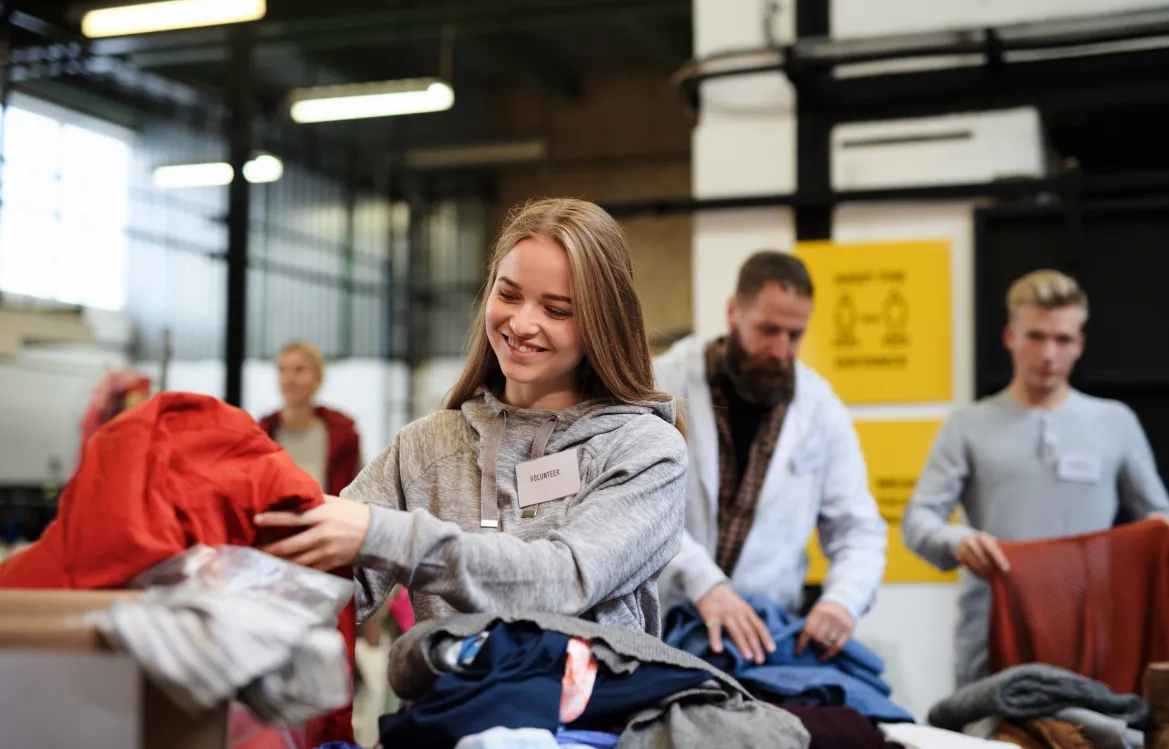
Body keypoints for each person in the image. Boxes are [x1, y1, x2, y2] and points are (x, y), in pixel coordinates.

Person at [253, 198, 689, 636]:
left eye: (556, 310)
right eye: (508, 294)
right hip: (446, 704)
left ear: (603, 321)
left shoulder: (646, 450)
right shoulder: (426, 446)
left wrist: (389, 537)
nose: (521, 324)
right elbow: (331, 583)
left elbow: (566, 580)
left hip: (587, 705)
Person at [902, 269, 1169, 687]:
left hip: (1094, 634)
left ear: (1079, 344)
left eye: (1062, 340)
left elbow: (1157, 514)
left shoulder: (1115, 422)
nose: (1048, 354)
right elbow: (918, 518)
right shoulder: (968, 425)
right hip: (995, 635)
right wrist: (958, 541)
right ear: (1011, 337)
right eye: (1036, 336)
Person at [655, 250, 888, 664]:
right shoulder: (663, 383)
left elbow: (858, 530)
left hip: (764, 636)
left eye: (795, 335)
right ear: (733, 311)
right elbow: (638, 506)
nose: (781, 350)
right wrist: (703, 581)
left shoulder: (820, 409)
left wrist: (842, 602)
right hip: (664, 619)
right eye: (768, 330)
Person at [259, 340, 362, 499]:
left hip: (331, 521)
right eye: (282, 370)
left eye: (299, 370)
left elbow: (358, 493)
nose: (289, 379)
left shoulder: (343, 435)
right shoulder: (262, 434)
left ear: (318, 378)